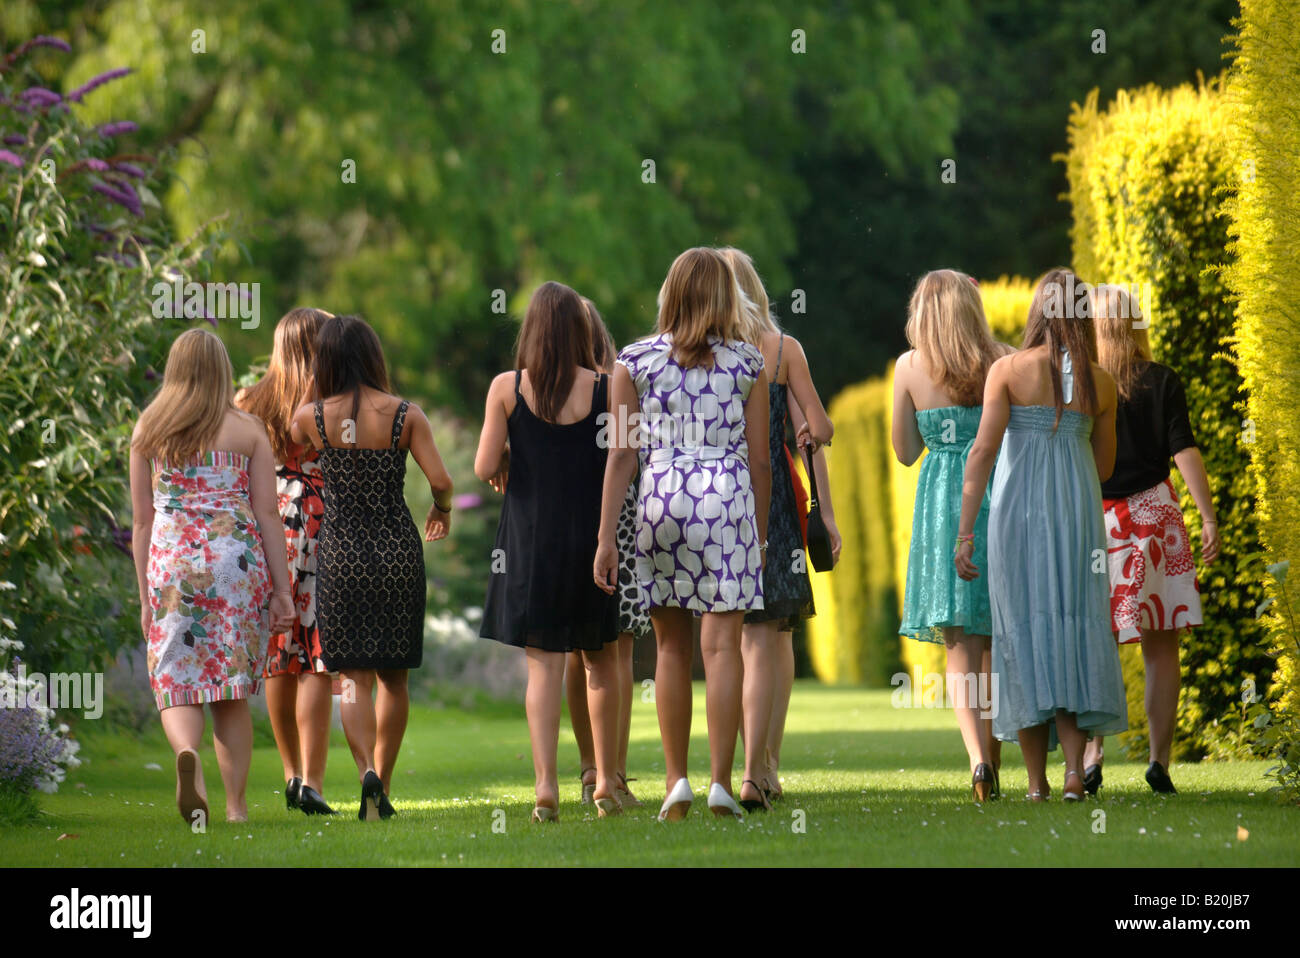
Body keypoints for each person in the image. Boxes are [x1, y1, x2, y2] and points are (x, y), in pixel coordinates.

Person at [594, 247, 771, 821]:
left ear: (668, 294)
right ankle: (723, 780)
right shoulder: (748, 364)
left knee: (669, 648)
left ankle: (676, 781)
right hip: (726, 498)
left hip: (661, 498)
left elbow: (620, 454)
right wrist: (760, 538)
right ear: (725, 297)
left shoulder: (634, 361)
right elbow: (762, 461)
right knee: (721, 649)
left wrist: (605, 538)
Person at [956, 268, 1127, 802]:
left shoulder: (1007, 370)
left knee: (1021, 636)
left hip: (1018, 518)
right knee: (1075, 627)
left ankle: (1035, 783)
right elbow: (1103, 468)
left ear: (1037, 312)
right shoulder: (1101, 383)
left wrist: (965, 532)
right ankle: (1076, 772)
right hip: (1076, 517)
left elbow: (982, 453)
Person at [130, 328, 296, 824]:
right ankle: (237, 808)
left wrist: (144, 596)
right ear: (223, 371)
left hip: (172, 564)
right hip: (234, 566)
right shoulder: (247, 430)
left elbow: (141, 522)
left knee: (176, 678)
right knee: (230, 688)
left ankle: (187, 753)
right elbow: (268, 513)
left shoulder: (148, 429)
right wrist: (282, 592)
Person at [290, 315, 452, 821]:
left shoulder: (309, 417)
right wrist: (440, 509)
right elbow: (442, 481)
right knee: (394, 678)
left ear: (326, 363)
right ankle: (383, 780)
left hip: (341, 554)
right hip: (397, 552)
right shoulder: (406, 415)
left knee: (353, 677)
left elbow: (294, 454)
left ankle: (364, 769)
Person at [476, 282, 623, 822]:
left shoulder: (506, 389)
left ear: (532, 330)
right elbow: (624, 457)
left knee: (544, 671)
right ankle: (605, 782)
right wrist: (608, 537)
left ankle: (546, 787)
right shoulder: (610, 388)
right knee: (600, 666)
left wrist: (514, 449)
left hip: (530, 545)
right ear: (581, 330)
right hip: (591, 539)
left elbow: (483, 465)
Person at [1082, 284, 1219, 795]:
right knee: (1162, 646)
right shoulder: (1163, 380)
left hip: (1098, 522)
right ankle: (1159, 760)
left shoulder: (1086, 383)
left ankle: (1093, 754)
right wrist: (1207, 516)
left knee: (1098, 639)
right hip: (1155, 518)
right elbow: (1183, 449)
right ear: (1136, 324)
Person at [721, 247, 836, 811]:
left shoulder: (704, 355)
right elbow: (817, 429)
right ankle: (760, 767)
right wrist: (830, 515)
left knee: (738, 637)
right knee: (772, 634)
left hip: (717, 500)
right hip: (775, 508)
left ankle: (749, 768)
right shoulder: (782, 350)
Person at [894, 269, 1011, 802]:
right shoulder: (1004, 360)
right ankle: (999, 752)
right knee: (998, 637)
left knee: (959, 641)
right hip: (999, 494)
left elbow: (903, 451)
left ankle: (978, 759)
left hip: (943, 502)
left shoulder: (909, 368)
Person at [235, 307, 337, 815]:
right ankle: (314, 780)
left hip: (268, 527)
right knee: (318, 654)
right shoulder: (331, 402)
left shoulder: (247, 401)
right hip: (322, 524)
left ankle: (291, 773)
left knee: (279, 654)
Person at [565, 297, 651, 809]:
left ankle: (588, 767)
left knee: (581, 653)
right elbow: (633, 452)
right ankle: (613, 775)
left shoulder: (544, 390)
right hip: (618, 520)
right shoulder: (619, 384)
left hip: (569, 524)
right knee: (617, 649)